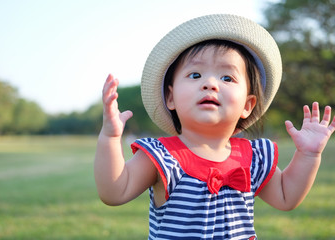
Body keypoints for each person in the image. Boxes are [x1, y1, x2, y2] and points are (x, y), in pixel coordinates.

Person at [94, 14, 335, 239]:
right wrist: (110, 137)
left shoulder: (252, 158)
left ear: (248, 105)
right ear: (171, 98)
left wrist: (308, 155)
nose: (210, 83)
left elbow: (286, 197)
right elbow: (114, 192)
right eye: (195, 75)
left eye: (227, 78)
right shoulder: (162, 157)